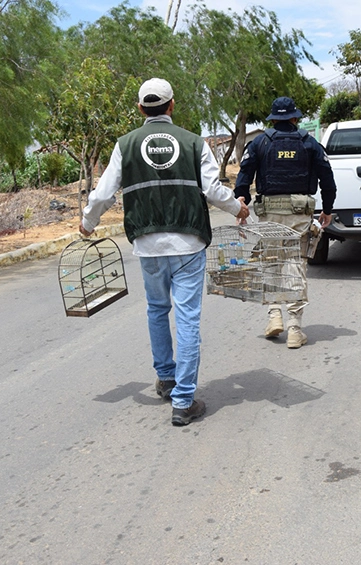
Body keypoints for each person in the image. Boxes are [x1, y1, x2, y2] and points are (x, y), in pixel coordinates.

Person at [80, 78, 250, 426]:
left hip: (148, 242)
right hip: (188, 241)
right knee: (187, 318)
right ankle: (183, 400)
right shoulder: (193, 142)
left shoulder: (125, 145)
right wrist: (238, 210)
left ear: (141, 109)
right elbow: (214, 191)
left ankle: (167, 379)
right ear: (172, 106)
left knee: (157, 309)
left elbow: (102, 194)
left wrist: (87, 224)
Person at [234, 96, 337, 349]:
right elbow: (327, 179)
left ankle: (274, 316)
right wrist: (328, 209)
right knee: (295, 265)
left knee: (271, 261)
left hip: (268, 213)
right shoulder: (309, 143)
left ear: (272, 119)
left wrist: (242, 202)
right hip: (299, 213)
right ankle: (294, 328)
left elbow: (244, 174)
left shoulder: (260, 142)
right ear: (295, 118)